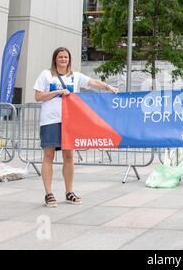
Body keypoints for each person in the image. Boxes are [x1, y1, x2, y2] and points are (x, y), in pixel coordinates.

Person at [34, 47, 119, 207]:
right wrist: (57, 92)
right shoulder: (46, 75)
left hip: (69, 121)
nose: (63, 59)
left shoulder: (75, 76)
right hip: (50, 120)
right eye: (60, 57)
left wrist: (108, 87)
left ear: (69, 60)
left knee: (69, 157)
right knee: (48, 156)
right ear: (55, 59)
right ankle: (48, 193)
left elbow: (92, 82)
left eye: (66, 57)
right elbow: (38, 96)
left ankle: (69, 192)